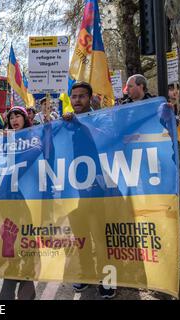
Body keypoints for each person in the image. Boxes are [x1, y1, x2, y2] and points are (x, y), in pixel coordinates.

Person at [62, 81, 117, 299]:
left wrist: (79, 123)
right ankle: (85, 275)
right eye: (74, 96)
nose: (77, 100)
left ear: (90, 98)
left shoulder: (100, 119)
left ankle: (108, 280)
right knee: (81, 237)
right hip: (74, 191)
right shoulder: (64, 124)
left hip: (97, 190)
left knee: (101, 238)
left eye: (81, 96)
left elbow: (106, 139)